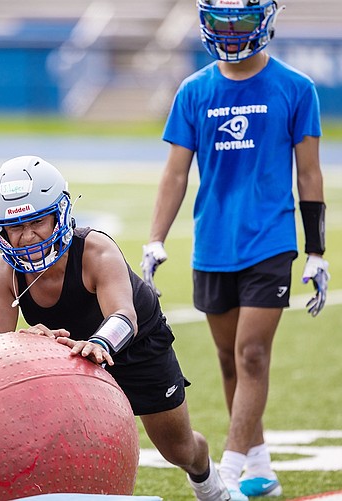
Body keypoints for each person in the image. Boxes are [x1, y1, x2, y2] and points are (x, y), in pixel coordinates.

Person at [141, 1, 329, 499]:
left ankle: (228, 469)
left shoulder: (296, 88)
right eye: (220, 21)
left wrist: (317, 250)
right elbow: (175, 173)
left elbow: (309, 174)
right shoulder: (194, 90)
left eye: (240, 21)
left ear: (264, 19)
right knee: (228, 359)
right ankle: (260, 463)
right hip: (213, 245)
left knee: (251, 354)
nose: (229, 32)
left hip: (271, 241)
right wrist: (155, 239)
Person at [0, 155, 230, 501]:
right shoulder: (5, 273)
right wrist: (21, 341)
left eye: (38, 221)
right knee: (65, 447)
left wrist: (99, 343)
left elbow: (125, 316)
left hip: (136, 347)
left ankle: (209, 483)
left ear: (59, 215)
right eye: (16, 227)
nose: (27, 236)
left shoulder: (96, 249)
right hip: (69, 360)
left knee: (179, 449)